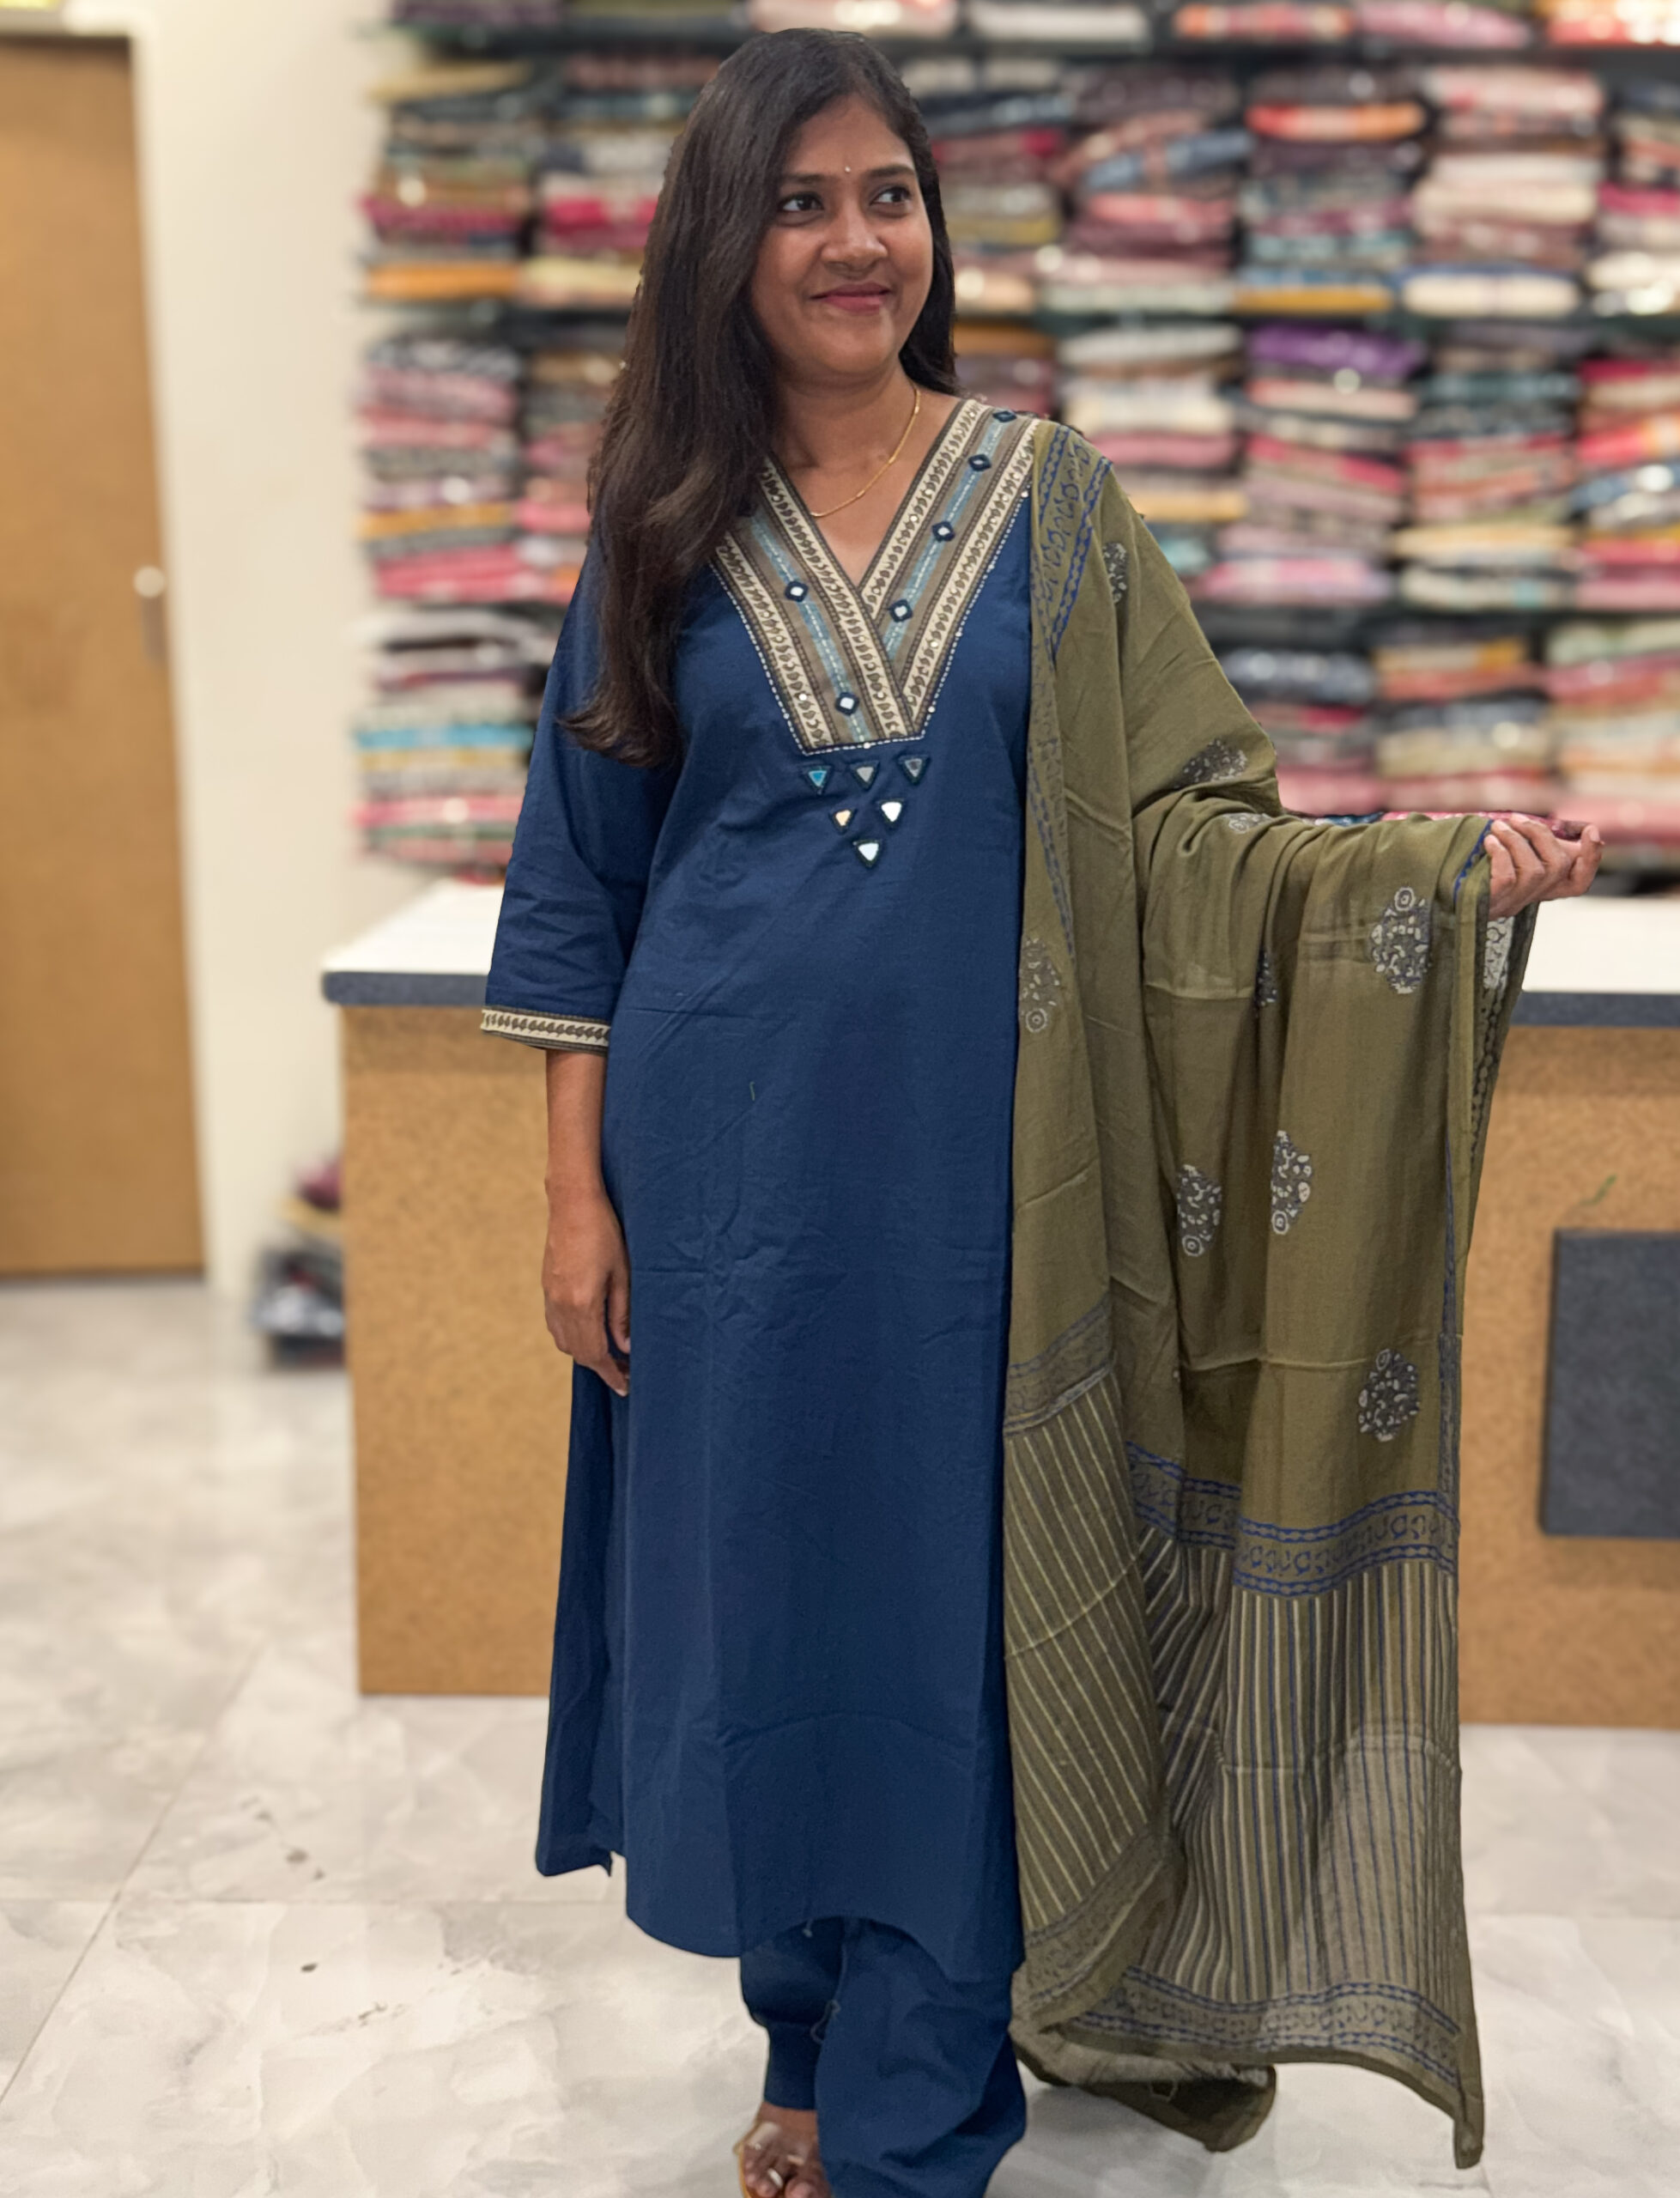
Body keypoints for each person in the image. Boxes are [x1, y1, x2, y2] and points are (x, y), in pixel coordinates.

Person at [482, 30, 1599, 2198]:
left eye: (886, 195)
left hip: (985, 1190)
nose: (854, 242)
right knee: (763, 1607)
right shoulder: (658, 520)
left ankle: (913, 2122)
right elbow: (577, 885)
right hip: (717, 1192)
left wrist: (1418, 869)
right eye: (799, 202)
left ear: (935, 224)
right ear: (720, 243)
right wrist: (570, 1202)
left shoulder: (1047, 501)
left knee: (951, 1638)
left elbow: (1190, 828)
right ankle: (809, 2044)